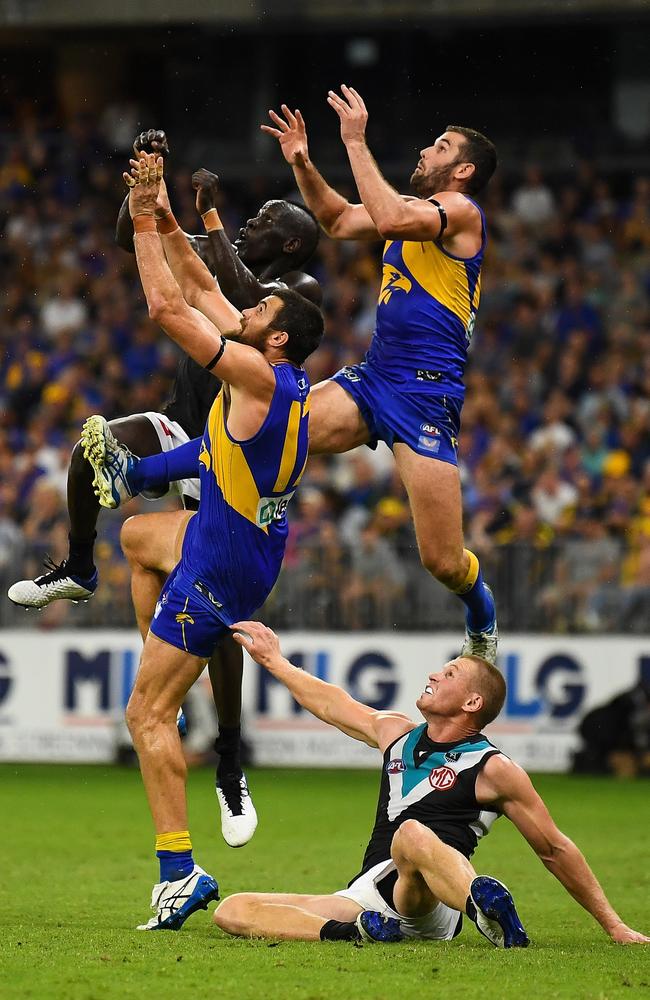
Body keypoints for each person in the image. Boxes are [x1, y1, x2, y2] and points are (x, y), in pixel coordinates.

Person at [8, 131, 322, 847]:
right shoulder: (256, 307)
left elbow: (215, 299)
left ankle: (231, 760)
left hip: (232, 465)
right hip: (194, 430)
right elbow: (192, 273)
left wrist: (198, 224)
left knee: (214, 605)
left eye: (271, 218)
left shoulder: (295, 306)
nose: (253, 220)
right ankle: (82, 566)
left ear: (295, 250)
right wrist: (146, 197)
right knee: (120, 501)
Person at [85, 151, 323, 930]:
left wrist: (147, 222)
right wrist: (154, 207)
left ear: (277, 340)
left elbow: (165, 304)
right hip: (236, 542)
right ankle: (167, 666)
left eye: (264, 309)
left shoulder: (253, 377)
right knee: (137, 535)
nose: (248, 307)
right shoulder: (271, 374)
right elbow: (200, 277)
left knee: (142, 719)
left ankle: (179, 870)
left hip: (220, 567)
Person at [211, 619, 649, 947]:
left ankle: (481, 911)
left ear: (472, 702)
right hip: (372, 896)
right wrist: (274, 661)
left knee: (411, 835)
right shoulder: (396, 734)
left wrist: (614, 925)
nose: (436, 675)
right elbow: (330, 703)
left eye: (451, 674)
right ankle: (354, 932)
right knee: (233, 910)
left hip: (433, 904)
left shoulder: (494, 767)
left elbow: (555, 848)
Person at [260, 89, 500, 662]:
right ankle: (160, 475)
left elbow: (389, 213)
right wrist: (302, 161)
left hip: (424, 396)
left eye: (439, 147)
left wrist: (354, 140)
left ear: (462, 170)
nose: (424, 149)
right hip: (374, 379)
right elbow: (339, 219)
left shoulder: (461, 214)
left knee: (442, 560)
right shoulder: (412, 219)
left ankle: (482, 617)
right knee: (272, 429)